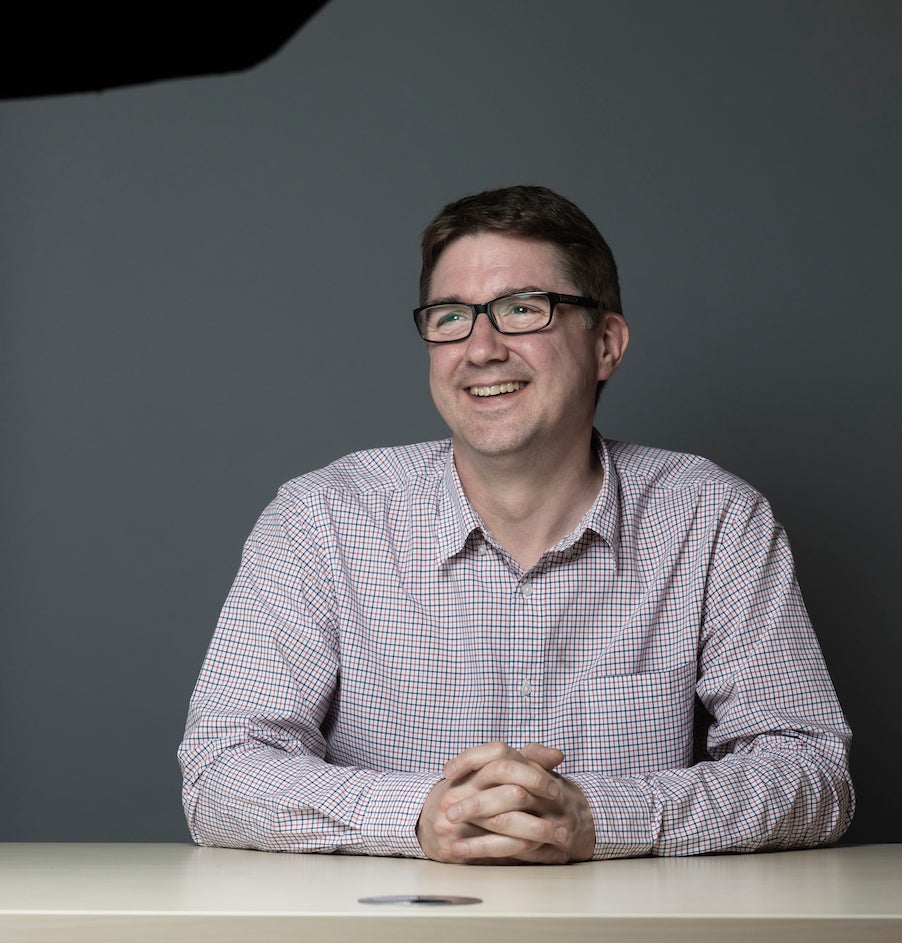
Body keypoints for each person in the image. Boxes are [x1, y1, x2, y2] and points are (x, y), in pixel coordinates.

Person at [178, 185, 854, 863]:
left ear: (607, 344)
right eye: (451, 317)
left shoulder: (715, 519)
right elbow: (219, 769)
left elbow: (811, 767)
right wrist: (419, 815)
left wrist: (599, 816)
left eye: (522, 309)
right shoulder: (320, 519)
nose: (481, 348)